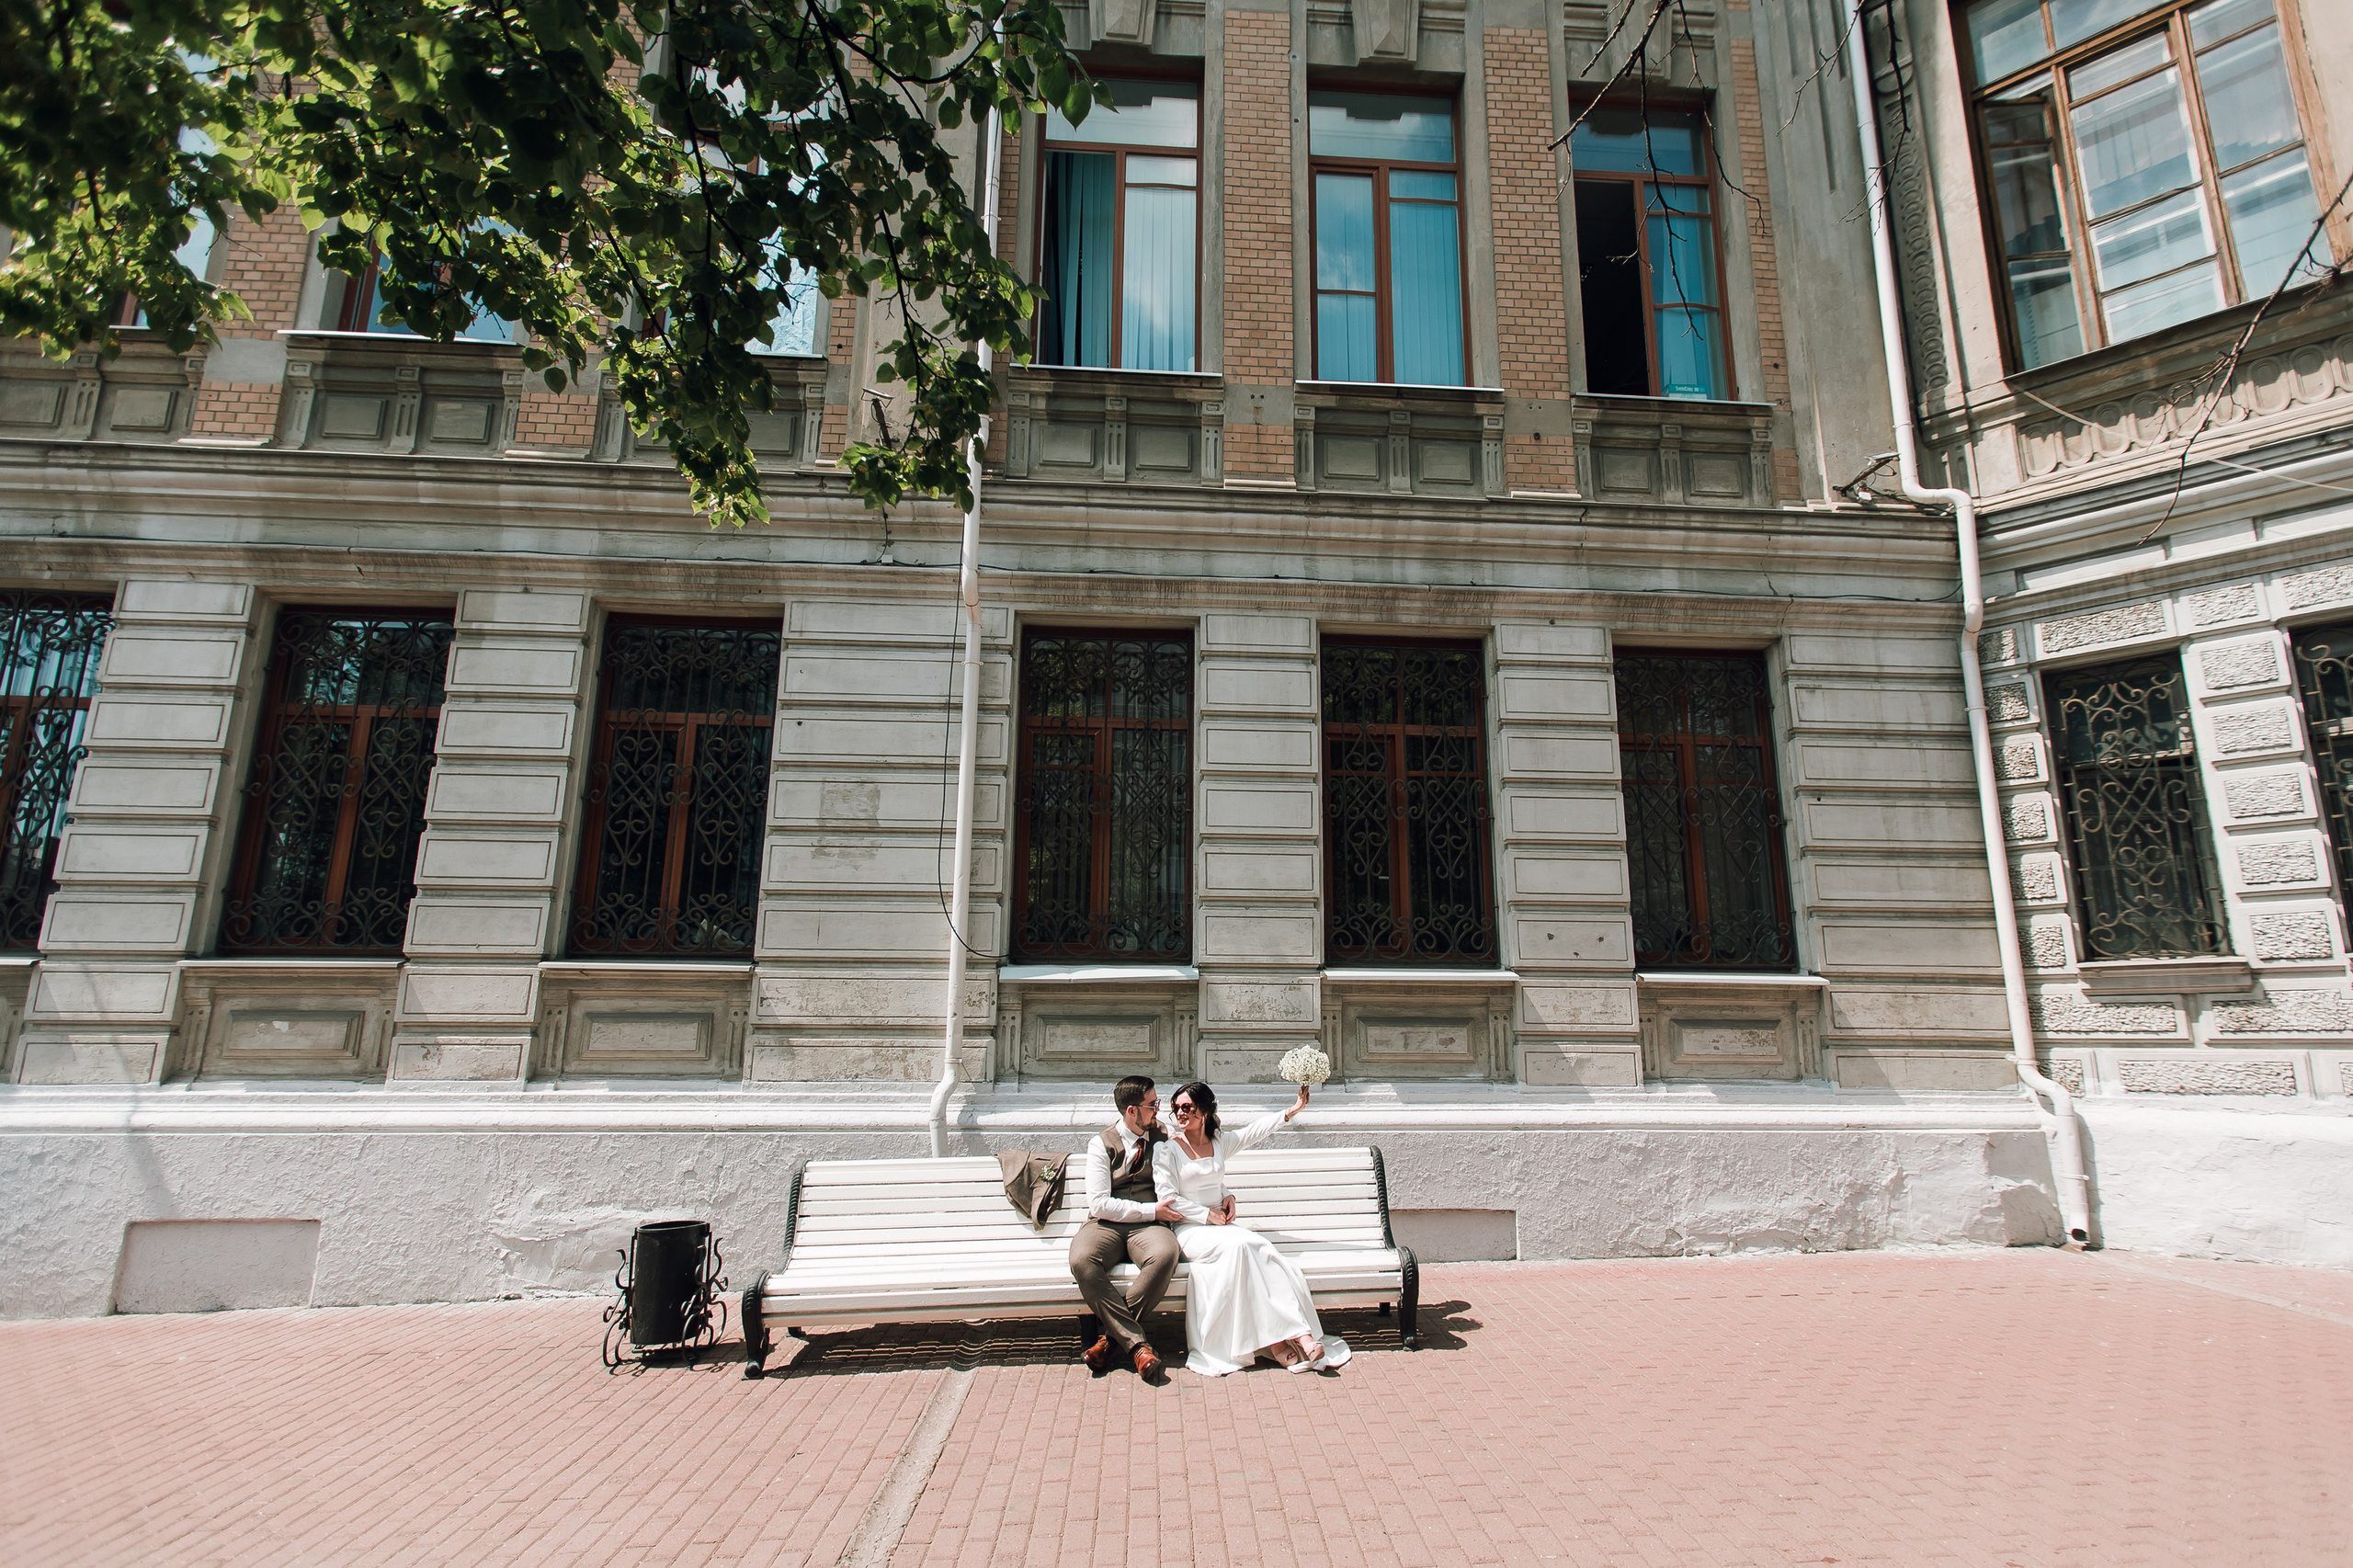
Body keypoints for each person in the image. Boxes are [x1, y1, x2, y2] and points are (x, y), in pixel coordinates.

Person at [1154, 1080, 1351, 1376]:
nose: (1180, 1114)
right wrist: (1206, 1214)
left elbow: (1255, 1132)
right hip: (1189, 1230)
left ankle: (1295, 1336)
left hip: (1220, 1227)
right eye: (1176, 1109)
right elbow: (1168, 1199)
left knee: (1263, 1249)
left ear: (1204, 1111)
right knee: (1243, 1246)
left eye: (1187, 1107)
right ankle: (1289, 1338)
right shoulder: (1167, 1150)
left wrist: (1292, 1110)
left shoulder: (1218, 1143)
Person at [1068, 1074, 1182, 1381]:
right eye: (1151, 1105)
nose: (1157, 1110)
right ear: (1131, 1111)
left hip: (1147, 1228)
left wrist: (1224, 1193)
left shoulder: (1164, 1135)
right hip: (1107, 1224)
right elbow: (1099, 1204)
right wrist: (1150, 1211)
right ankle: (1138, 1347)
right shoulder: (1100, 1144)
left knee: (1166, 1254)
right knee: (1082, 1259)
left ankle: (1109, 1341)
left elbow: (1194, 1165)